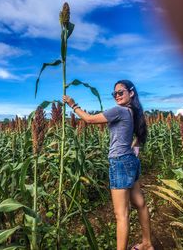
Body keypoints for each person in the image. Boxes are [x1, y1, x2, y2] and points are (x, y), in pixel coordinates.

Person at [63, 80, 154, 250]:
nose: (117, 96)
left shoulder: (120, 110)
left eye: (121, 92)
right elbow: (140, 135)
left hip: (119, 162)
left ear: (131, 93)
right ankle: (147, 244)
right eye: (115, 93)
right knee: (140, 204)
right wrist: (134, 149)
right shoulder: (134, 111)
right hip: (130, 161)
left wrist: (72, 104)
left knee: (121, 215)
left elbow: (89, 120)